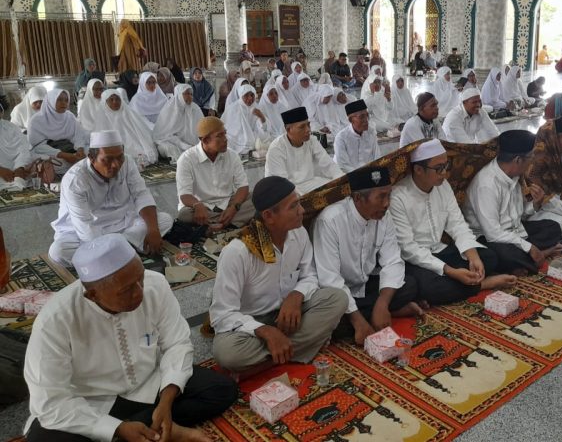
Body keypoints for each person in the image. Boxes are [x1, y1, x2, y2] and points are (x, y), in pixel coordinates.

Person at [25, 233, 237, 442]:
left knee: (221, 390)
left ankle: (149, 425)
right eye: (126, 290)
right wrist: (116, 428)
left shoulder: (155, 285)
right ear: (93, 295)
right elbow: (51, 402)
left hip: (149, 384)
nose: (139, 292)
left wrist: (166, 400)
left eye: (140, 279)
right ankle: (153, 430)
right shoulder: (54, 321)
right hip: (91, 400)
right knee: (42, 437)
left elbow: (177, 343)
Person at [210, 176, 347, 372]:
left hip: (289, 316)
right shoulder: (238, 252)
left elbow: (310, 276)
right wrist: (265, 331)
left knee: (337, 298)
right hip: (250, 325)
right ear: (268, 216)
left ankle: (267, 360)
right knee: (227, 353)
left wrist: (296, 295)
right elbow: (222, 315)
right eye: (293, 207)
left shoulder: (298, 233)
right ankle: (293, 349)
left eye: (298, 203)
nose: (302, 211)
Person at [390, 139, 516, 306]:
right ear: (418, 169)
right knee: (431, 287)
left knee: (489, 258)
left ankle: (463, 283)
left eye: (446, 166)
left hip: (440, 250)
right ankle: (484, 284)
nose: (444, 173)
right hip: (416, 260)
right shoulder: (398, 197)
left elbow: (457, 224)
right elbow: (409, 249)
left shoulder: (442, 185)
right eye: (438, 168)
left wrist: (473, 257)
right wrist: (450, 271)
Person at [313, 166, 421, 345]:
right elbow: (330, 278)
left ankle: (379, 311)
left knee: (410, 284)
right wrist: (358, 321)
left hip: (365, 285)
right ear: (357, 198)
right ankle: (380, 314)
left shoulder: (383, 215)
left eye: (388, 195)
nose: (387, 203)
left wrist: (383, 303)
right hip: (338, 294)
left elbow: (393, 260)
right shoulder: (330, 221)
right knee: (332, 320)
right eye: (381, 197)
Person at [48, 130, 173, 266]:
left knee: (164, 220)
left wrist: (153, 229)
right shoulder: (76, 180)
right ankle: (125, 248)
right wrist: (103, 249)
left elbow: (141, 194)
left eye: (120, 157)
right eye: (107, 159)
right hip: (85, 231)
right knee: (59, 252)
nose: (115, 165)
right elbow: (85, 226)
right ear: (91, 157)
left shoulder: (128, 163)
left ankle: (118, 249)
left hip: (123, 224)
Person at [463, 130, 562, 275]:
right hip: (489, 238)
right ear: (517, 160)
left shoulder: (514, 176)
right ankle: (541, 254)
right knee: (503, 255)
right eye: (530, 157)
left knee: (552, 227)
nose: (532, 161)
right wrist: (529, 247)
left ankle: (527, 261)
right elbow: (493, 233)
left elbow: (518, 216)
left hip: (515, 232)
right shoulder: (486, 184)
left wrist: (536, 204)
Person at [176, 116, 256, 230]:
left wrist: (233, 208)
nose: (225, 139)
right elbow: (184, 195)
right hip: (202, 208)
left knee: (257, 198)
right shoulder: (186, 159)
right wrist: (198, 205)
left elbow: (243, 187)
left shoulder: (232, 155)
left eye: (225, 134)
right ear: (205, 140)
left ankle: (213, 226)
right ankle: (231, 224)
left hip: (228, 203)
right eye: (220, 135)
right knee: (184, 214)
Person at [265, 107, 344, 195]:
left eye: (308, 125)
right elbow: (282, 183)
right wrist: (307, 198)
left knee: (338, 192)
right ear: (288, 130)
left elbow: (328, 165)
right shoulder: (276, 148)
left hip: (310, 183)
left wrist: (342, 181)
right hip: (284, 191)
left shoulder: (312, 140)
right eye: (302, 127)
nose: (308, 130)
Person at [27, 89, 89, 175]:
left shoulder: (69, 116)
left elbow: (78, 135)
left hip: (69, 149)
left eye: (66, 100)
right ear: (51, 101)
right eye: (59, 100)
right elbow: (37, 146)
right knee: (47, 161)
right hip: (50, 152)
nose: (64, 103)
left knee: (90, 151)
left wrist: (80, 150)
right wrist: (62, 155)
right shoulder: (36, 120)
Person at [95, 89, 159, 167]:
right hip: (113, 149)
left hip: (134, 146)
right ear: (105, 102)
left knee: (142, 155)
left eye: (117, 99)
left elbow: (142, 133)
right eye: (111, 100)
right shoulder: (102, 118)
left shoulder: (128, 113)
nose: (115, 102)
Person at [153, 84, 204, 163]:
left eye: (191, 94)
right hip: (175, 143)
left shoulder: (195, 108)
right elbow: (166, 135)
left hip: (193, 143)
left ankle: (192, 154)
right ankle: (185, 159)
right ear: (179, 95)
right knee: (165, 147)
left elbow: (202, 128)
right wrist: (184, 146)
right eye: (186, 94)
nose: (190, 97)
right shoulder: (170, 109)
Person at [221, 84, 271, 156]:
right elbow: (230, 130)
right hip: (237, 141)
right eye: (246, 95)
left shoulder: (256, 107)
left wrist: (261, 117)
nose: (250, 98)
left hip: (253, 140)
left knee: (266, 138)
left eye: (252, 95)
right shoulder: (233, 108)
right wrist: (246, 136)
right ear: (241, 96)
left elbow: (265, 129)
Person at [333, 99, 380, 173]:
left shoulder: (371, 132)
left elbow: (377, 157)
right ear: (350, 120)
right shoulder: (341, 138)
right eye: (361, 117)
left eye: (367, 115)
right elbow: (343, 165)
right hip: (348, 175)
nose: (366, 120)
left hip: (368, 172)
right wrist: (360, 175)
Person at [0, 101, 34, 191]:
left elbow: (23, 148)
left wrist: (20, 167)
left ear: (2, 112)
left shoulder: (11, 127)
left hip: (15, 169)